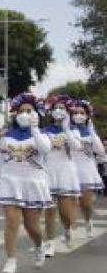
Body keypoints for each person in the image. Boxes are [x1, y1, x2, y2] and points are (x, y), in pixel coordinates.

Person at [0, 93, 52, 273]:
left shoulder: (43, 135)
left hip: (32, 182)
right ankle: (11, 259)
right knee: (12, 222)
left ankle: (39, 245)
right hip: (10, 181)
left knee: (31, 226)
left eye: (29, 111)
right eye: (21, 111)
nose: (24, 114)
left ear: (37, 114)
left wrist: (35, 129)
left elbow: (45, 150)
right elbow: (0, 156)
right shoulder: (7, 134)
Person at [41, 95, 81, 251]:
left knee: (65, 211)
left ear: (67, 111)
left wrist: (66, 129)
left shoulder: (74, 131)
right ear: (50, 112)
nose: (58, 111)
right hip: (48, 171)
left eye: (62, 108)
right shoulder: (44, 131)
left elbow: (77, 147)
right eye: (55, 108)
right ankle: (50, 242)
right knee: (49, 210)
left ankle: (67, 229)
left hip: (65, 171)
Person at [68, 99, 105, 237]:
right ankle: (70, 228)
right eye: (75, 113)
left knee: (86, 203)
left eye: (81, 113)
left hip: (87, 170)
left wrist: (91, 130)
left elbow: (100, 150)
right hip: (70, 169)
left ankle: (88, 220)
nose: (78, 115)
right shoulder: (67, 130)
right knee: (73, 201)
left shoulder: (90, 132)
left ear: (87, 115)